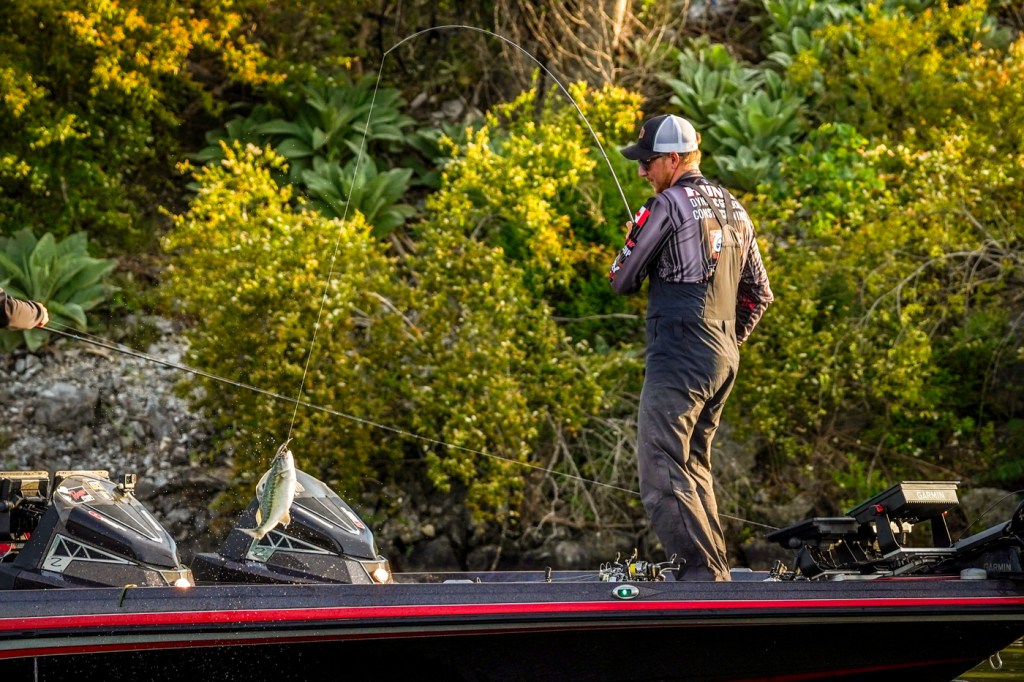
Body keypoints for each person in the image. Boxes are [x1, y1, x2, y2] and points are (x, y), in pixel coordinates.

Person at [609, 114, 773, 581]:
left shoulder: (667, 205)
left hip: (679, 353)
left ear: (675, 159)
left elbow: (622, 279)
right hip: (722, 356)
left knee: (661, 466)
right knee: (693, 465)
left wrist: (632, 240)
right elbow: (759, 294)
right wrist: (724, 343)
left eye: (649, 162)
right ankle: (716, 576)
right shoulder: (736, 207)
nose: (642, 171)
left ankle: (700, 580)